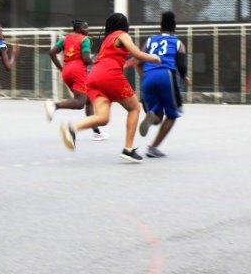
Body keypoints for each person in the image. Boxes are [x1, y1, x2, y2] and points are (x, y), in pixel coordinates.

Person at [59, 12, 160, 162]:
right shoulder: (122, 35)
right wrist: (154, 58)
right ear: (124, 26)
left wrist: (128, 63)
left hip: (94, 77)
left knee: (102, 118)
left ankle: (72, 128)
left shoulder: (107, 40)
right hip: (110, 76)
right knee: (134, 108)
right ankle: (128, 149)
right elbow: (137, 53)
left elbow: (113, 60)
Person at [135, 11, 190, 158]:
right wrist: (184, 77)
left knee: (158, 115)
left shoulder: (150, 40)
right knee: (172, 115)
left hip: (148, 77)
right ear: (174, 28)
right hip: (166, 75)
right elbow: (181, 65)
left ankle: (151, 118)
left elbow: (138, 61)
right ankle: (152, 148)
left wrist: (145, 76)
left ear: (160, 27)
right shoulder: (178, 43)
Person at [44, 19, 106, 141]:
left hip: (66, 71)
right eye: (85, 28)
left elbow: (52, 52)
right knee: (80, 103)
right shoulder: (85, 40)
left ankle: (96, 132)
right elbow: (86, 59)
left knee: (88, 100)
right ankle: (55, 105)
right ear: (77, 29)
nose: (87, 30)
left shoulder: (65, 38)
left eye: (88, 28)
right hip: (78, 71)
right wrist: (96, 62)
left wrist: (61, 68)